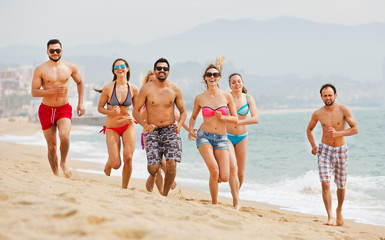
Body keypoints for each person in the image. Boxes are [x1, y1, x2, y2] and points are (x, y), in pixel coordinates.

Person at [188, 57, 238, 208]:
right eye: (209, 74)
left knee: (224, 176)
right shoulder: (200, 98)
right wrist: (191, 129)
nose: (212, 77)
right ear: (205, 78)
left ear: (219, 78)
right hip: (204, 136)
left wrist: (223, 117)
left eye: (215, 75)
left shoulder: (226, 96)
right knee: (214, 171)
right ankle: (214, 204)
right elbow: (194, 117)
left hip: (222, 138)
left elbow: (235, 118)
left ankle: (229, 200)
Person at [133, 58, 187, 197]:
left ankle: (164, 194)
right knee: (153, 168)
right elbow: (135, 111)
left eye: (165, 68)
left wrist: (180, 125)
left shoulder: (174, 89)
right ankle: (152, 176)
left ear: (168, 72)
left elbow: (183, 112)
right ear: (155, 70)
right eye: (159, 68)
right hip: (153, 130)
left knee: (171, 165)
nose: (162, 70)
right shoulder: (146, 89)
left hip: (170, 129)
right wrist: (145, 125)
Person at [31, 39, 85, 178]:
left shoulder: (69, 67)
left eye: (58, 50)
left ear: (61, 51)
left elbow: (79, 82)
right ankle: (56, 175)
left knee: (64, 136)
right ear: (47, 51)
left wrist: (80, 103)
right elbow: (34, 92)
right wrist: (52, 91)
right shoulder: (41, 69)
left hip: (63, 108)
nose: (55, 53)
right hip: (46, 110)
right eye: (52, 50)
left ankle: (63, 162)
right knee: (52, 147)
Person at [306, 83, 358, 226]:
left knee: (341, 185)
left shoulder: (343, 110)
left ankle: (339, 210)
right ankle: (329, 216)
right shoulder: (317, 113)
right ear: (321, 97)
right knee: (325, 183)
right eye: (325, 95)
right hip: (325, 150)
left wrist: (338, 133)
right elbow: (309, 130)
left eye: (330, 95)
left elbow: (355, 129)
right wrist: (313, 146)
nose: (328, 98)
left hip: (341, 150)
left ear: (335, 95)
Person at [97, 58, 138, 189]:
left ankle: (124, 188)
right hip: (112, 127)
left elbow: (137, 111)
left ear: (127, 68)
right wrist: (111, 112)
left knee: (128, 158)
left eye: (122, 66)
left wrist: (137, 120)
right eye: (116, 67)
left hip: (127, 126)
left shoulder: (134, 89)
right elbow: (100, 108)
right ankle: (110, 162)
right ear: (114, 71)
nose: (119, 69)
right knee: (116, 164)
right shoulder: (108, 88)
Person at [226, 73, 259, 206]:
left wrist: (239, 122)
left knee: (240, 173)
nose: (236, 84)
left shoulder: (248, 98)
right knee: (232, 168)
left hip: (242, 137)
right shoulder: (226, 97)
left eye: (239, 81)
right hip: (227, 136)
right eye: (233, 82)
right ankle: (236, 202)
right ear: (230, 85)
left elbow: (255, 118)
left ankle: (235, 194)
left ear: (242, 83)